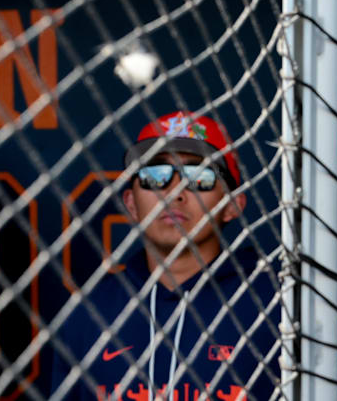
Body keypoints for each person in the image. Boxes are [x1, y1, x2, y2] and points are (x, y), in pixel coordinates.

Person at [51, 111, 280, 401]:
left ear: (233, 204)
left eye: (199, 176)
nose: (175, 192)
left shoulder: (275, 303)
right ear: (131, 203)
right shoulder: (90, 314)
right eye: (154, 175)